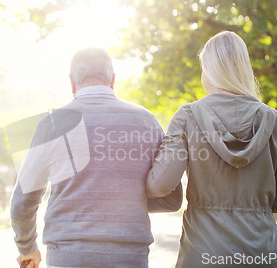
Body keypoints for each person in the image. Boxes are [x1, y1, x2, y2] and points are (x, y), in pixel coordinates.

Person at [10, 48, 183, 268]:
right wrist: (129, 199)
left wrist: (27, 248)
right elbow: (172, 198)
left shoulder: (52, 124)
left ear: (72, 83)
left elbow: (22, 199)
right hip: (129, 254)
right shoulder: (146, 121)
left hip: (67, 254)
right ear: (112, 80)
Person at [146, 31, 277, 268]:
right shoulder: (273, 119)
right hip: (262, 253)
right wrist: (255, 208)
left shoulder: (188, 116)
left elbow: (160, 185)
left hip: (202, 253)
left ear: (208, 69)